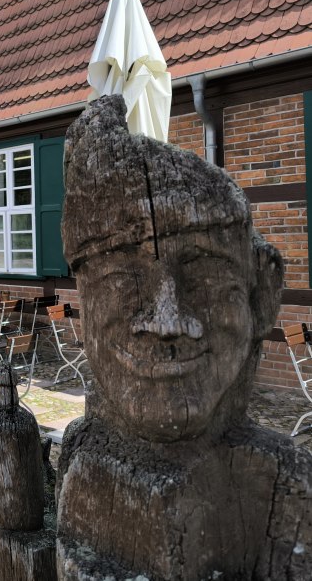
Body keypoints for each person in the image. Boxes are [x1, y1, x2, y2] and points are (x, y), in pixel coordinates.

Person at [55, 96, 311, 579]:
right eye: (121, 280)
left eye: (205, 277)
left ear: (262, 296)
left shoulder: (284, 483)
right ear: (84, 303)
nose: (168, 321)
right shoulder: (81, 451)